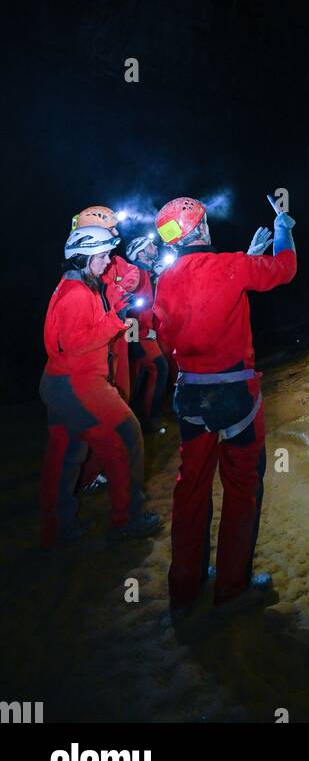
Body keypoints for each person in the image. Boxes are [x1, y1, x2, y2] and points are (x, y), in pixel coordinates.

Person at [153, 195, 296, 614]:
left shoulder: (166, 279)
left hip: (191, 397)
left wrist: (245, 261)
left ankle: (185, 586)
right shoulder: (228, 265)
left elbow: (167, 338)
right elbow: (285, 270)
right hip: (235, 396)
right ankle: (231, 587)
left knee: (191, 489)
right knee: (242, 487)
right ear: (199, 229)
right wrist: (285, 229)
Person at [40, 223, 161, 545]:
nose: (108, 261)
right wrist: (117, 320)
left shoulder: (76, 285)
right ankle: (128, 519)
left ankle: (57, 528)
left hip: (59, 383)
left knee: (67, 455)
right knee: (126, 438)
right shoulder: (77, 294)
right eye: (103, 255)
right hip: (78, 383)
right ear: (83, 256)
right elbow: (76, 342)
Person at [71, 206, 141, 402]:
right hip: (102, 342)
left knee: (121, 381)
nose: (117, 233)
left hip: (116, 332)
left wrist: (122, 289)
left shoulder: (110, 262)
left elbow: (132, 274)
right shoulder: (81, 281)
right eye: (111, 228)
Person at [124, 233, 169, 431]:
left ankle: (138, 418)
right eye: (150, 246)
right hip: (140, 337)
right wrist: (134, 343)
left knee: (139, 377)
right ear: (141, 253)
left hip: (145, 335)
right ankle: (149, 419)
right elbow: (128, 309)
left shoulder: (146, 274)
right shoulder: (135, 273)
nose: (155, 248)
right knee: (159, 368)